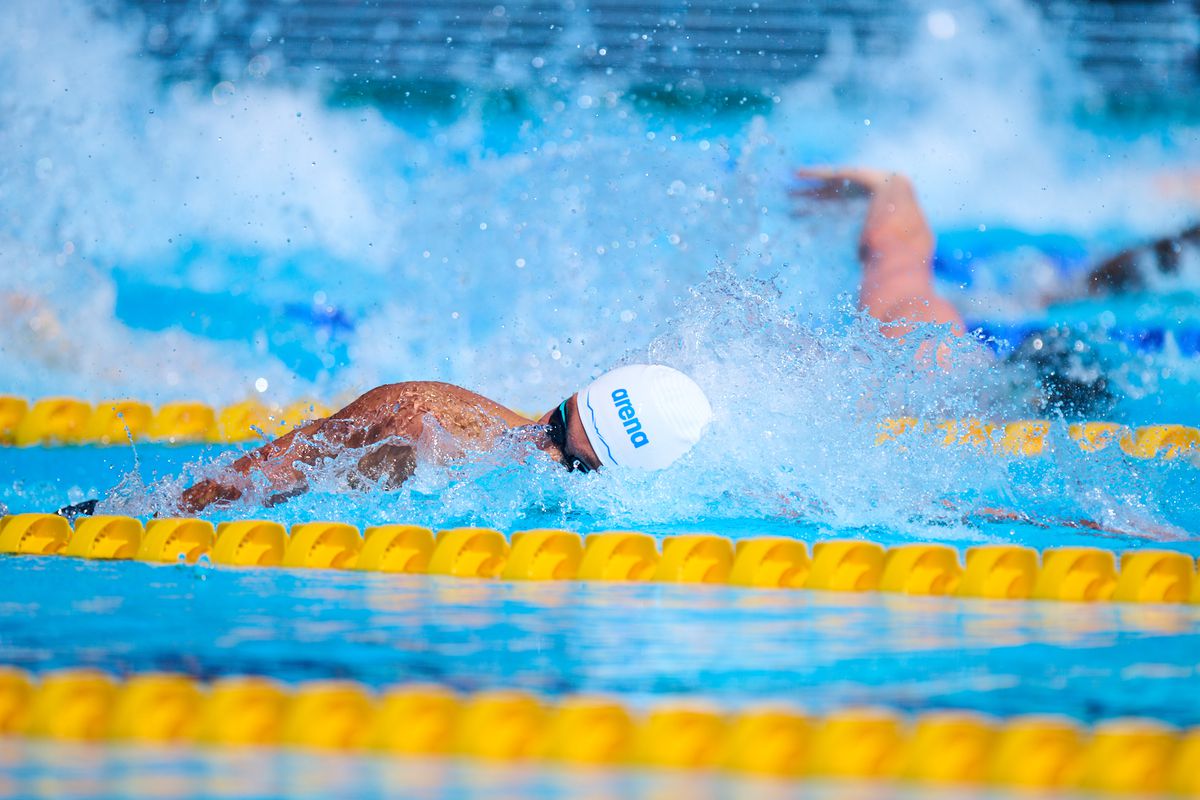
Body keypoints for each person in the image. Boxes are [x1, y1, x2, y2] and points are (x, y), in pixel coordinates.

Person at [179, 364, 715, 512]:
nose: (538, 451)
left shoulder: (416, 409)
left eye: (572, 465)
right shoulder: (418, 416)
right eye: (551, 426)